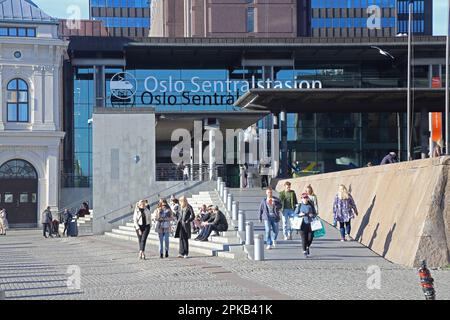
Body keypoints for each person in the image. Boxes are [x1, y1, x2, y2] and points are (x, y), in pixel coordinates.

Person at [295, 193, 317, 258]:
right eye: (303, 198)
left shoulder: (310, 205)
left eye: (306, 198)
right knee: (304, 238)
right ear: (301, 199)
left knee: (310, 238)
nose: (305, 199)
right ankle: (304, 251)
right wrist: (299, 214)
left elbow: (315, 214)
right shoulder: (299, 205)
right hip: (302, 224)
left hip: (310, 224)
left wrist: (312, 215)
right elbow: (295, 214)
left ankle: (307, 246)